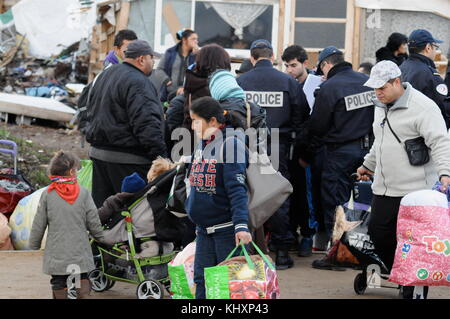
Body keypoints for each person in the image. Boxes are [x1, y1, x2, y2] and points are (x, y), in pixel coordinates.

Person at [357, 60, 450, 299]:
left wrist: (445, 173)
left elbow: (440, 143)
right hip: (384, 188)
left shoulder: (424, 107)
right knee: (379, 235)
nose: (377, 93)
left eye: (382, 88)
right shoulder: (380, 105)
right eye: (374, 88)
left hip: (416, 190)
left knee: (415, 244)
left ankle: (412, 286)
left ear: (397, 82)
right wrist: (368, 165)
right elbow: (380, 140)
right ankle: (402, 273)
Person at [237, 39, 306, 270]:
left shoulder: (240, 82)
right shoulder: (288, 81)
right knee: (276, 195)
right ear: (273, 56)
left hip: (246, 145)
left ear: (252, 58)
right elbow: (301, 117)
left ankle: (245, 251)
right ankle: (282, 252)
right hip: (277, 144)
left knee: (245, 194)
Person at [309, 46, 375, 270]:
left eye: (322, 70)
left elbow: (317, 125)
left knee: (335, 204)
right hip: (368, 152)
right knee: (362, 204)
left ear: (327, 64)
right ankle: (360, 255)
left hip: (339, 153)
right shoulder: (365, 80)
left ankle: (336, 254)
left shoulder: (329, 87)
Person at [85, 40, 168, 208]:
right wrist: (161, 159)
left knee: (105, 213)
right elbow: (147, 124)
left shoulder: (104, 75)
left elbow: (88, 110)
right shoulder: (139, 82)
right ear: (142, 59)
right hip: (128, 161)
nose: (153, 63)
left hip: (99, 156)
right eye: (152, 58)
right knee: (134, 213)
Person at [186, 96, 252, 299]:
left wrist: (241, 226)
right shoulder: (202, 144)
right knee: (202, 282)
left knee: (229, 288)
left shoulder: (231, 144)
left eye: (196, 121)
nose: (192, 126)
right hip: (203, 231)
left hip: (227, 232)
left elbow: (237, 189)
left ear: (213, 121)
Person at [29, 151, 104, 299]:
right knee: (79, 278)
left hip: (58, 252)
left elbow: (39, 221)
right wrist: (100, 236)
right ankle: (82, 295)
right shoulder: (83, 193)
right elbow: (93, 219)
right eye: (76, 170)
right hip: (78, 251)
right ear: (71, 172)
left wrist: (34, 244)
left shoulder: (48, 194)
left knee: (59, 281)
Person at [281, 44, 318, 256]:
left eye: (293, 65)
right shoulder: (286, 83)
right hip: (290, 149)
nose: (290, 70)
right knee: (292, 195)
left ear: (305, 63)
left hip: (307, 150)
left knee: (305, 196)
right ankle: (293, 233)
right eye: (286, 65)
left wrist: (307, 153)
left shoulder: (316, 85)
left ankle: (307, 234)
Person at [400, 29, 450, 128]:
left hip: (403, 128)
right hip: (423, 133)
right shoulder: (429, 74)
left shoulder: (401, 67)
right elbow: (443, 108)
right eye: (435, 47)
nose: (435, 51)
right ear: (428, 48)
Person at [156, 29, 199, 101]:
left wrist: (196, 55)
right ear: (184, 40)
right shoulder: (170, 53)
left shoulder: (196, 55)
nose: (196, 41)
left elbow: (199, 72)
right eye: (193, 39)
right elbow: (159, 70)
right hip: (170, 93)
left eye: (197, 39)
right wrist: (167, 80)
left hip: (189, 94)